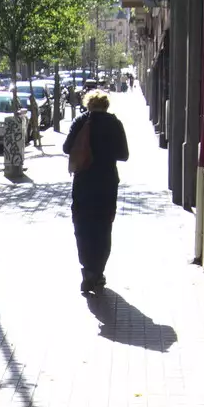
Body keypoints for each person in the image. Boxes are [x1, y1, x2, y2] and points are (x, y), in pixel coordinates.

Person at [62, 89, 130, 294]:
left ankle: (87, 270)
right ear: (106, 105)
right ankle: (97, 272)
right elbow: (124, 154)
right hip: (106, 183)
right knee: (103, 227)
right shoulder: (114, 123)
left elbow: (67, 148)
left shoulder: (80, 122)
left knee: (82, 226)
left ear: (88, 104)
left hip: (83, 183)